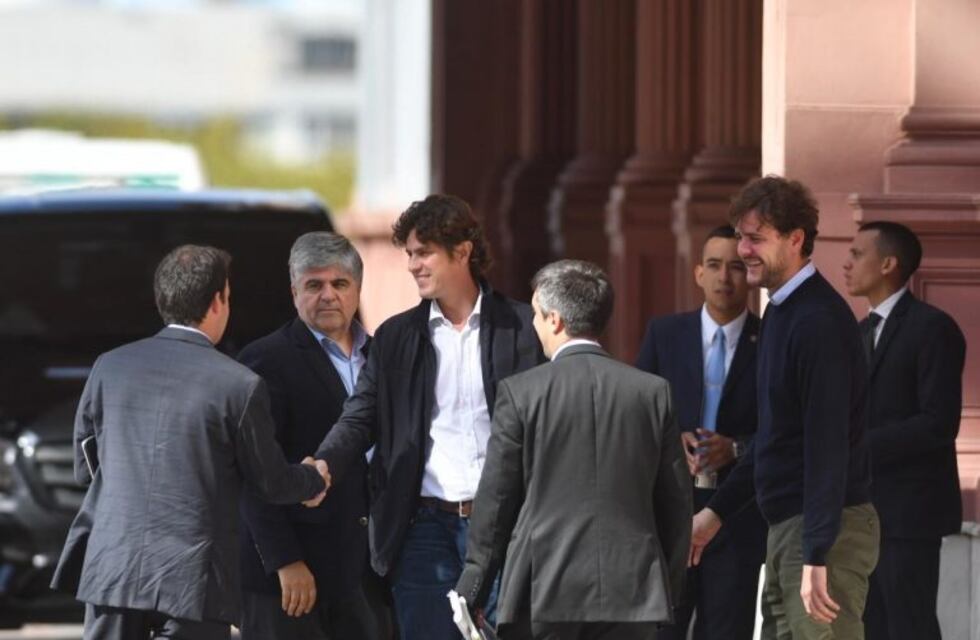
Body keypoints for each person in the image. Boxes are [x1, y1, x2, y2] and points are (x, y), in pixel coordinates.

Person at [51, 244, 330, 640]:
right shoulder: (239, 384)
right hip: (194, 580)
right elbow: (269, 482)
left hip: (113, 567)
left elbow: (87, 466)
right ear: (218, 301)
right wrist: (313, 478)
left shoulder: (109, 367)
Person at [312, 194, 545, 640]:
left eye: (424, 253)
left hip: (505, 526)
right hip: (423, 528)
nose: (413, 265)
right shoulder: (397, 337)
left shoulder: (520, 329)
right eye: (409, 255)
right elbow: (360, 416)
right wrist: (324, 464)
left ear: (463, 251)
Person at [455, 259, 691, 640]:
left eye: (535, 314)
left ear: (555, 320)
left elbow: (497, 501)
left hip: (543, 590)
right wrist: (668, 587)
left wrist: (473, 586)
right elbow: (675, 504)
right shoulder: (652, 392)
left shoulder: (521, 393)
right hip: (634, 594)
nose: (532, 325)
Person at [691, 176, 879, 639]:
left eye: (756, 238)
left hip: (822, 534)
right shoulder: (782, 311)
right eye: (741, 237)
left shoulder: (817, 321)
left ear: (796, 240)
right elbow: (775, 437)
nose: (743, 251)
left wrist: (816, 553)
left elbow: (826, 444)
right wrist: (715, 514)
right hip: (789, 530)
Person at [237, 232, 387, 639]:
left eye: (339, 284)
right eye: (314, 285)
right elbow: (251, 473)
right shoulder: (264, 361)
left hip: (369, 576)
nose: (328, 296)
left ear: (357, 289)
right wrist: (284, 560)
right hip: (292, 581)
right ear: (294, 292)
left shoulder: (385, 356)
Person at [636, 225, 766, 640]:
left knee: (727, 631)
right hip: (671, 513)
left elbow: (783, 427)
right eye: (713, 266)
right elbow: (640, 413)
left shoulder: (769, 340)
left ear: (750, 274)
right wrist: (672, 441)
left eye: (736, 267)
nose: (724, 278)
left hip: (738, 514)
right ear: (698, 274)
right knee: (661, 630)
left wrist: (737, 448)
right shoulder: (665, 333)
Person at [843, 221, 965, 640]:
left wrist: (858, 447)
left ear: (888, 264)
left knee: (909, 625)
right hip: (860, 514)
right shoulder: (856, 334)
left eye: (857, 254)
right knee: (868, 626)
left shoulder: (933, 328)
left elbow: (938, 424)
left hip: (910, 514)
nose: (847, 263)